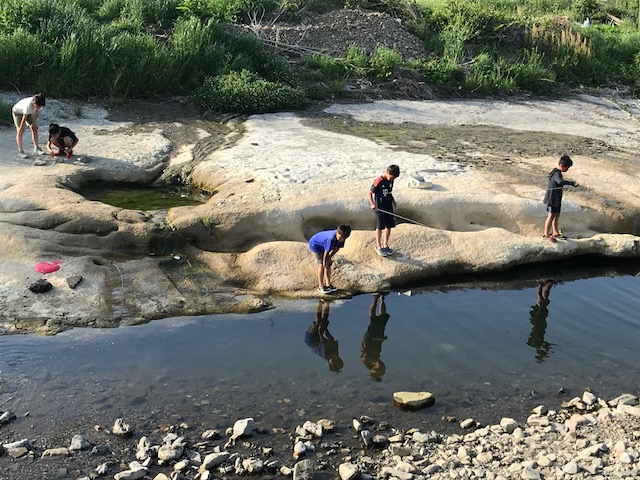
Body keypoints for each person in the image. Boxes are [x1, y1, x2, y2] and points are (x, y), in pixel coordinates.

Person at [543, 154, 578, 242]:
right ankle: (546, 234)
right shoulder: (556, 173)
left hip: (556, 198)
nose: (567, 169)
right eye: (567, 168)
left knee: (556, 215)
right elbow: (559, 181)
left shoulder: (557, 172)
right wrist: (571, 183)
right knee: (551, 215)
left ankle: (555, 232)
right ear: (562, 165)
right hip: (552, 198)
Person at [308, 224, 352, 294]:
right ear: (337, 233)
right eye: (341, 238)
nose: (342, 240)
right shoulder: (330, 238)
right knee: (322, 265)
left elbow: (337, 248)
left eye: (344, 238)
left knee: (328, 265)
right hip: (316, 245)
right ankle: (320, 286)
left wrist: (330, 257)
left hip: (324, 246)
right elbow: (326, 252)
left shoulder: (342, 236)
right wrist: (325, 261)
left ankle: (328, 284)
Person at [368, 164, 400, 256]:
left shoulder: (391, 181)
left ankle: (385, 244)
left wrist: (393, 201)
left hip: (388, 206)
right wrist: (372, 204)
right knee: (380, 226)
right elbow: (370, 192)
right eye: (392, 177)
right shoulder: (379, 181)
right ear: (387, 172)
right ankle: (378, 246)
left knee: (389, 226)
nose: (392, 179)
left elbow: (389, 192)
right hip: (380, 207)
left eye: (394, 178)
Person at [304, 299, 344, 373]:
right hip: (319, 340)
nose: (335, 357)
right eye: (337, 359)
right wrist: (325, 328)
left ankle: (319, 302)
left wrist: (321, 329)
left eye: (334, 360)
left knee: (318, 322)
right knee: (324, 320)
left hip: (311, 340)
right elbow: (331, 338)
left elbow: (321, 339)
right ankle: (327, 303)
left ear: (329, 362)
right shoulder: (335, 353)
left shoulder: (325, 353)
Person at [361, 293, 390, 381]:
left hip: (370, 338)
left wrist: (362, 341)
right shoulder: (379, 367)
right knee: (383, 317)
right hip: (378, 339)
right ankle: (382, 299)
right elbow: (380, 363)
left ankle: (375, 299)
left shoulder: (368, 364)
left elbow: (363, 351)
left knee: (373, 318)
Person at [527, 279, 555, 362]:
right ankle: (544, 284)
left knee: (542, 299)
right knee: (542, 299)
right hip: (537, 320)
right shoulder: (534, 343)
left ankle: (545, 284)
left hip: (539, 320)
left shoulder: (536, 343)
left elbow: (544, 343)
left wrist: (546, 348)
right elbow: (545, 344)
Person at [12, 94, 46, 158]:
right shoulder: (28, 105)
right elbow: (24, 117)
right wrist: (21, 127)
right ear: (34, 103)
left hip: (27, 113)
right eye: (38, 106)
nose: (39, 107)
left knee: (34, 128)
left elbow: (37, 113)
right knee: (20, 131)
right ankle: (20, 151)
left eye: (40, 106)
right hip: (17, 112)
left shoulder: (39, 102)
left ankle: (36, 148)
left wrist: (33, 123)